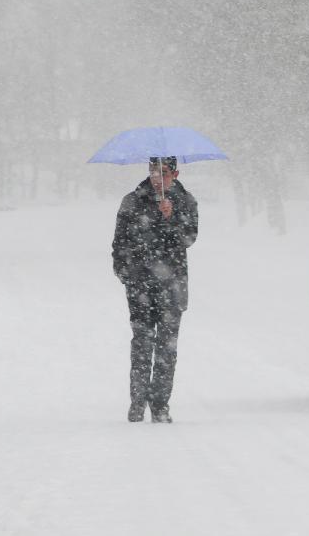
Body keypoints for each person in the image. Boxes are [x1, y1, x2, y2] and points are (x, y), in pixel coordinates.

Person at [112, 157, 198, 423]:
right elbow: (119, 242)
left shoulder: (186, 201)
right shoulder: (133, 200)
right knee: (142, 342)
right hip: (141, 285)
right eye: (152, 171)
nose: (156, 177)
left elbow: (188, 238)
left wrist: (171, 217)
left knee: (167, 347)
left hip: (172, 285)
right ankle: (137, 401)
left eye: (163, 172)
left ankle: (160, 404)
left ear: (175, 173)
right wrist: (126, 273)